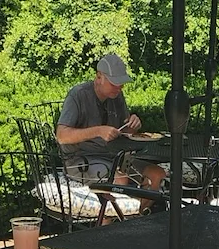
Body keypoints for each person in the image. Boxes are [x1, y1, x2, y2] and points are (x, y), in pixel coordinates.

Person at [56, 52, 164, 188]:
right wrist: (98, 131)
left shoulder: (117, 96)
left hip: (115, 157)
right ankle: (122, 209)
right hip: (82, 160)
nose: (119, 88)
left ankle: (140, 210)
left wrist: (132, 124)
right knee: (120, 179)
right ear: (99, 77)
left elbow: (124, 132)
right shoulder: (78, 95)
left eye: (121, 83)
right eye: (114, 83)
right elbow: (61, 136)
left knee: (156, 174)